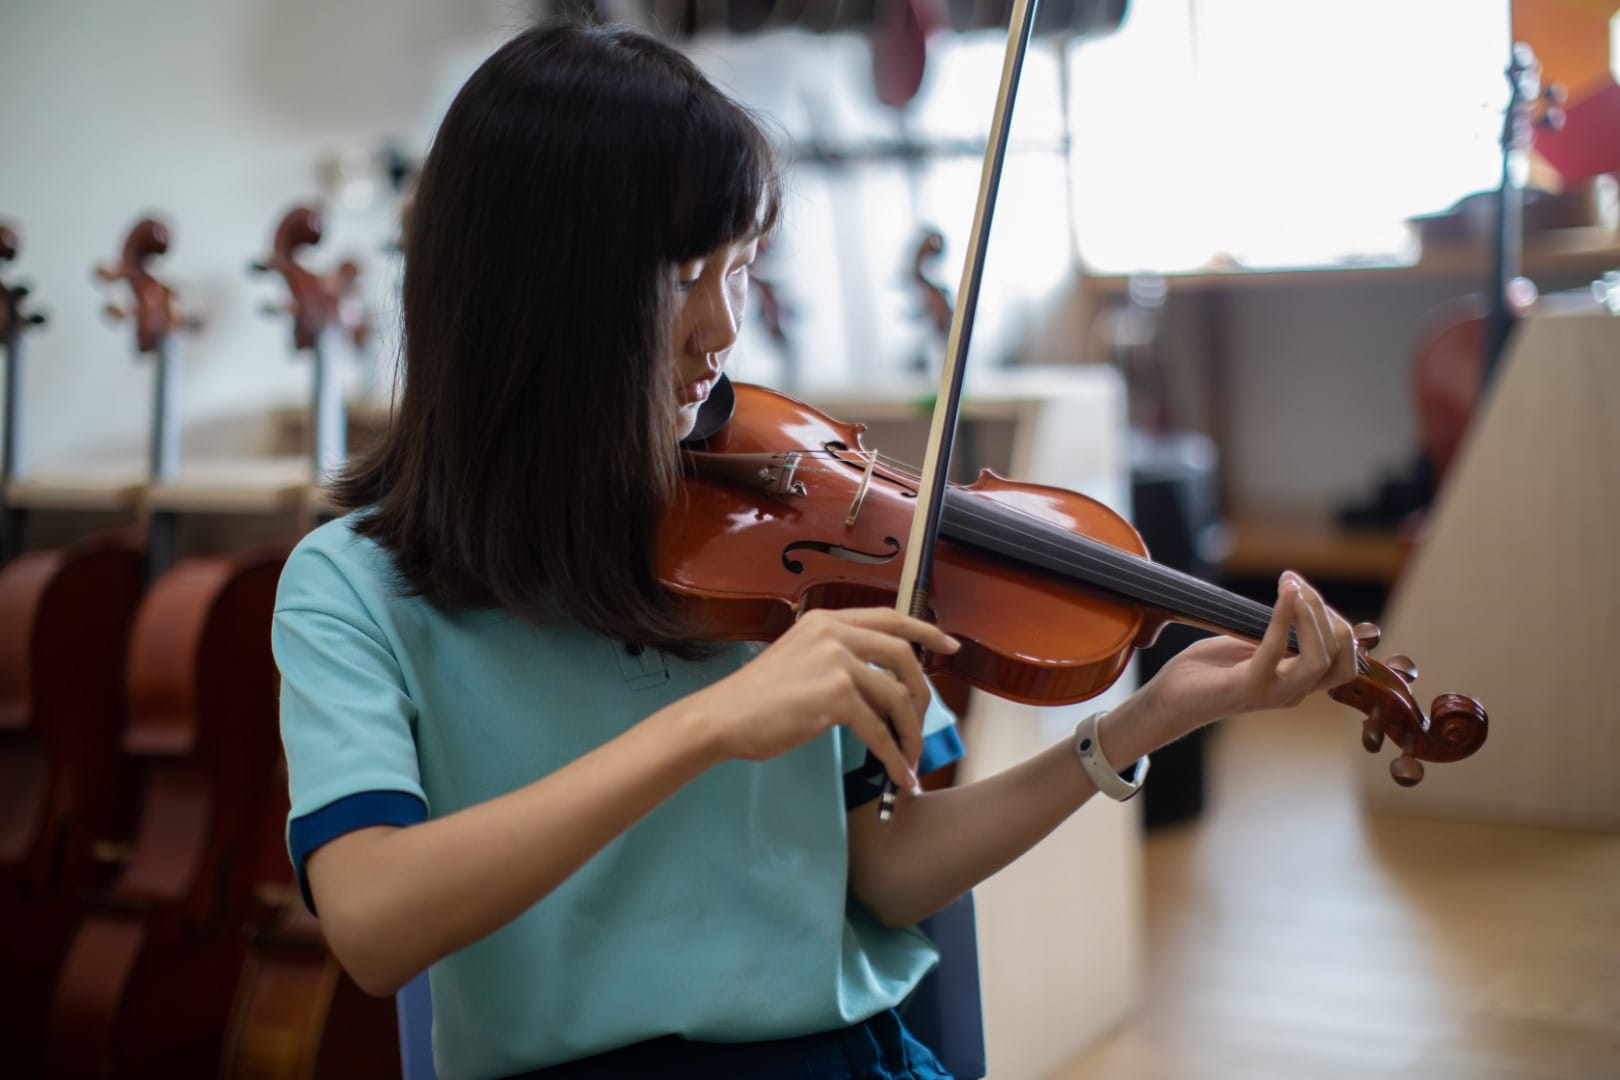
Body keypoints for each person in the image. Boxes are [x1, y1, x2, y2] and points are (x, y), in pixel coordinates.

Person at [272, 20, 1356, 1080]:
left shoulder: (788, 560)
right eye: (684, 273)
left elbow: (886, 872)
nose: (724, 328)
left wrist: (1139, 723)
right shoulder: (357, 587)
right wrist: (704, 725)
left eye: (741, 265)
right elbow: (371, 923)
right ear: (538, 294)